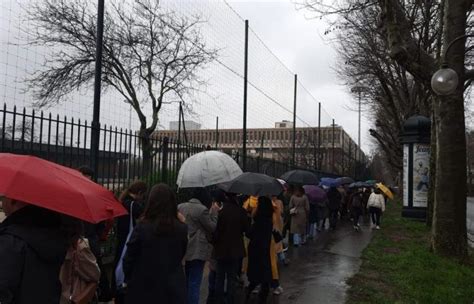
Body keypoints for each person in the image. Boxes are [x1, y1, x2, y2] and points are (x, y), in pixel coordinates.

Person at [123, 184, 188, 304]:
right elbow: (181, 252)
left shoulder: (142, 227)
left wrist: (129, 279)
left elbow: (128, 258)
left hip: (144, 286)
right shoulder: (181, 228)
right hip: (172, 288)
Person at [0, 197, 73, 304]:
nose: (2, 202)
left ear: (13, 200)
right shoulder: (54, 234)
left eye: (3, 198)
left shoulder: (12, 240)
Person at [178, 188, 218, 304]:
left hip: (184, 247)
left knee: (186, 279)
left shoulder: (180, 207)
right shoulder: (202, 210)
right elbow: (212, 227)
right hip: (197, 249)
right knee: (195, 282)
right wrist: (214, 213)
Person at [113, 181, 148, 304]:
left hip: (121, 240)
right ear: (139, 193)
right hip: (128, 242)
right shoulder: (134, 206)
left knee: (118, 272)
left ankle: (118, 295)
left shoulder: (122, 202)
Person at [213, 191, 250, 304]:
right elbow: (247, 231)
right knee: (231, 278)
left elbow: (216, 231)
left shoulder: (221, 212)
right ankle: (230, 300)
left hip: (221, 249)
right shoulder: (241, 212)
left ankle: (218, 300)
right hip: (235, 250)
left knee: (219, 278)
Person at [246, 197, 277, 304]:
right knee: (264, 273)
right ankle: (263, 294)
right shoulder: (269, 220)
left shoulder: (258, 220)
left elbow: (249, 233)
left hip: (255, 250)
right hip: (265, 250)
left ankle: (249, 293)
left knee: (255, 274)